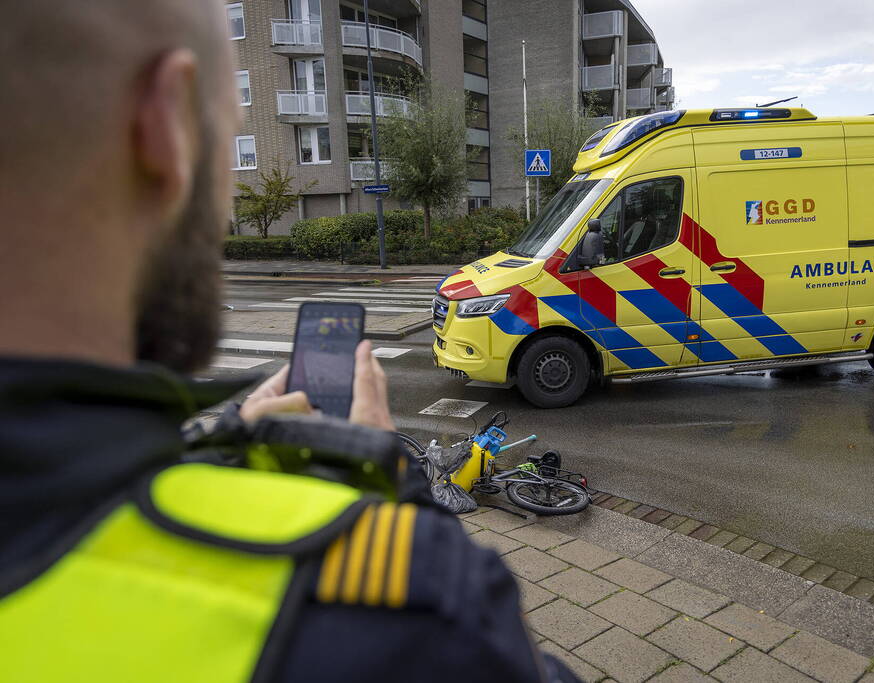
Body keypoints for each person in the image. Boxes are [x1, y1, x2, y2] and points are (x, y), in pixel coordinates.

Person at [0, 2, 579, 681]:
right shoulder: (400, 601)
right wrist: (387, 486)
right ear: (171, 123)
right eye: (230, 130)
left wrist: (215, 447)